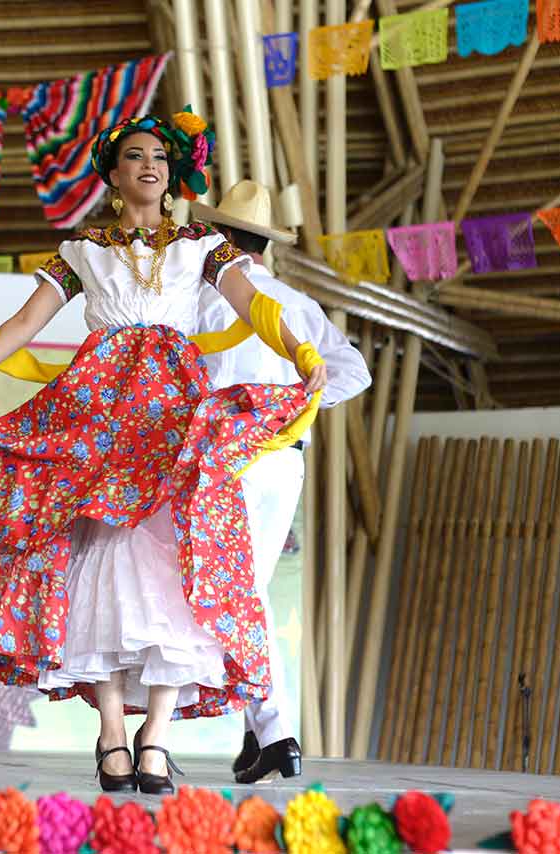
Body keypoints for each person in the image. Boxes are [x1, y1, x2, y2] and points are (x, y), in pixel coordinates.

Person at [0, 112, 327, 794]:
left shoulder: (204, 246)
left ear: (172, 171)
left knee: (171, 565)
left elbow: (255, 306)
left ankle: (154, 735)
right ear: (115, 173)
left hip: (169, 418)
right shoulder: (82, 250)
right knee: (92, 566)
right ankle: (111, 736)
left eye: (159, 155)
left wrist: (300, 350)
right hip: (97, 418)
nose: (149, 164)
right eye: (135, 156)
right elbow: (25, 322)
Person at [194, 181, 371, 783]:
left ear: (218, 239)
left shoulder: (207, 299)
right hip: (285, 458)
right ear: (264, 246)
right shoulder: (295, 302)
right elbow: (355, 372)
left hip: (228, 457)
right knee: (249, 587)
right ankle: (259, 736)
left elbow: (189, 380)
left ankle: (277, 732)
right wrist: (297, 405)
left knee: (237, 591)